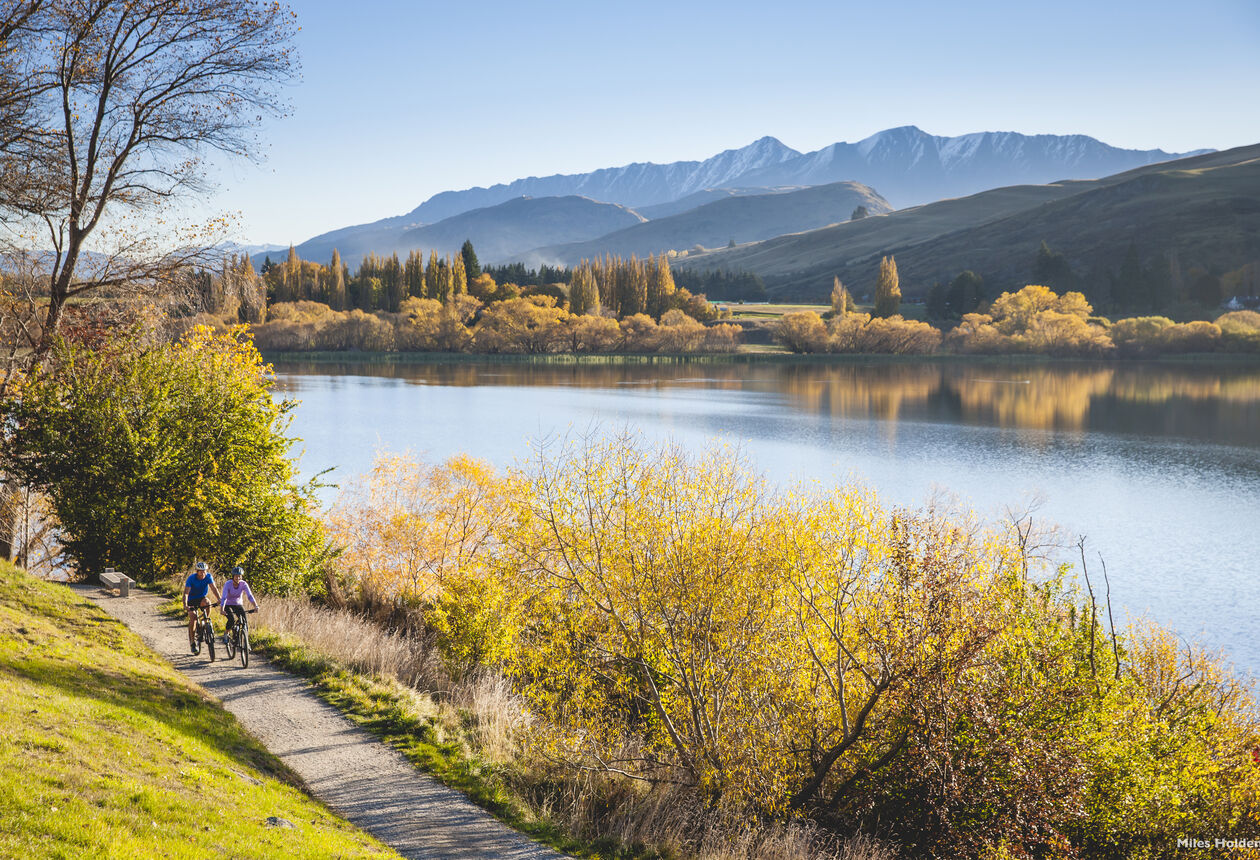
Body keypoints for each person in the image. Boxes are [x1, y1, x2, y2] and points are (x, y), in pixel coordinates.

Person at [183, 561, 222, 654]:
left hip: (201, 599)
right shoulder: (191, 578)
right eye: (200, 571)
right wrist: (185, 605)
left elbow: (214, 588)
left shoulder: (208, 577)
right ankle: (192, 643)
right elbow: (186, 593)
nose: (203, 573)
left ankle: (205, 621)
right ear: (197, 571)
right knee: (193, 618)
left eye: (204, 571)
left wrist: (220, 599)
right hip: (191, 600)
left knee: (207, 602)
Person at [219, 565, 259, 641]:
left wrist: (256, 606)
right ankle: (226, 633)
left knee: (244, 621)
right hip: (227, 604)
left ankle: (246, 641)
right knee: (231, 619)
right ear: (233, 576)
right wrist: (222, 609)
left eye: (239, 576)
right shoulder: (228, 584)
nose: (238, 578)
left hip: (238, 604)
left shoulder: (243, 584)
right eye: (236, 576)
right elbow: (224, 597)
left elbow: (250, 596)